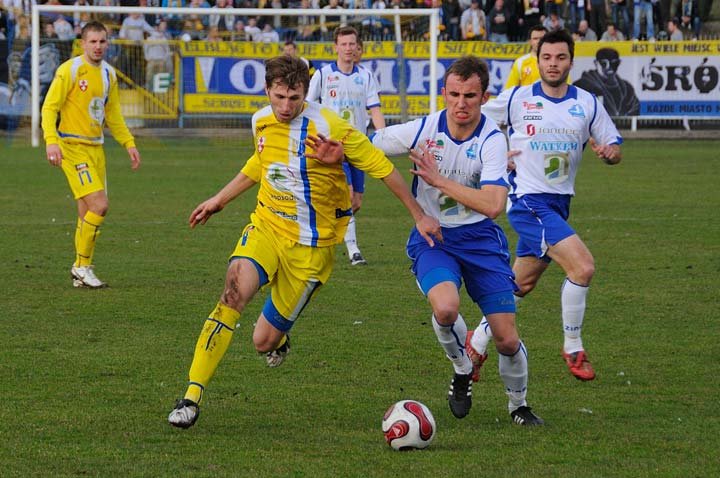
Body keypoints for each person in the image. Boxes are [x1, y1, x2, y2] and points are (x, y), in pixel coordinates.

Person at [167, 55, 441, 429]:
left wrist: (418, 213)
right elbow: (261, 161)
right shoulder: (260, 120)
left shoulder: (331, 127)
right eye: (278, 97)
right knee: (232, 293)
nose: (285, 106)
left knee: (262, 341)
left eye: (293, 98)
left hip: (311, 250)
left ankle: (278, 341)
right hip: (266, 226)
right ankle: (191, 397)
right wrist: (219, 200)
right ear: (267, 91)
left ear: (305, 92)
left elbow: (382, 168)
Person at [371, 56, 544, 426]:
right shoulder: (423, 129)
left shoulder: (493, 140)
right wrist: (339, 147)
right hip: (435, 238)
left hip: (482, 239)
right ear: (443, 93)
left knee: (506, 340)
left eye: (470, 95)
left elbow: (494, 204)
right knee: (446, 309)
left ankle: (519, 406)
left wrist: (439, 182)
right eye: (453, 94)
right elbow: (371, 145)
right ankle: (463, 368)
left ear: (483, 97)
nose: (460, 103)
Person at [475, 29, 622, 383]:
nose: (553, 64)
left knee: (519, 285)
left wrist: (609, 153)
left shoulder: (587, 102)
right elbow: (468, 118)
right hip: (526, 201)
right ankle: (573, 346)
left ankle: (475, 343)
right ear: (536, 60)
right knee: (583, 268)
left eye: (560, 57)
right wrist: (494, 155)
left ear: (571, 60)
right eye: (546, 57)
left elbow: (614, 144)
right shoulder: (516, 99)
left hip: (558, 203)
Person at [41, 21, 141, 288]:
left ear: (107, 43)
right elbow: (50, 108)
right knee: (100, 205)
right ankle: (82, 266)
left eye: (102, 42)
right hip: (72, 148)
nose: (98, 46)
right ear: (82, 43)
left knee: (87, 213)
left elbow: (113, 114)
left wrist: (128, 143)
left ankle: (81, 272)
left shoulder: (109, 75)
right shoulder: (70, 70)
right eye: (93, 42)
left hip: (96, 149)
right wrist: (51, 141)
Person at [306, 26, 386, 266]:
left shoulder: (366, 76)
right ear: (336, 47)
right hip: (333, 147)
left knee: (356, 201)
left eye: (352, 44)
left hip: (357, 145)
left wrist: (382, 138)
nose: (348, 48)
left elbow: (375, 109)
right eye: (344, 44)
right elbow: (308, 107)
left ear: (357, 47)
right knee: (347, 194)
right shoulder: (323, 74)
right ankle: (353, 250)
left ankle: (326, 225)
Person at [573, 47, 640, 116]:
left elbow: (635, 108)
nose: (609, 67)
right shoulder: (582, 85)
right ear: (596, 63)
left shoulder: (627, 88)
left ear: (619, 63)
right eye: (604, 63)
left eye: (614, 63)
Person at [504, 25, 547, 89]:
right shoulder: (520, 62)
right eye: (535, 39)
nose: (539, 41)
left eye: (542, 38)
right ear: (530, 42)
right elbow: (509, 91)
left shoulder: (556, 62)